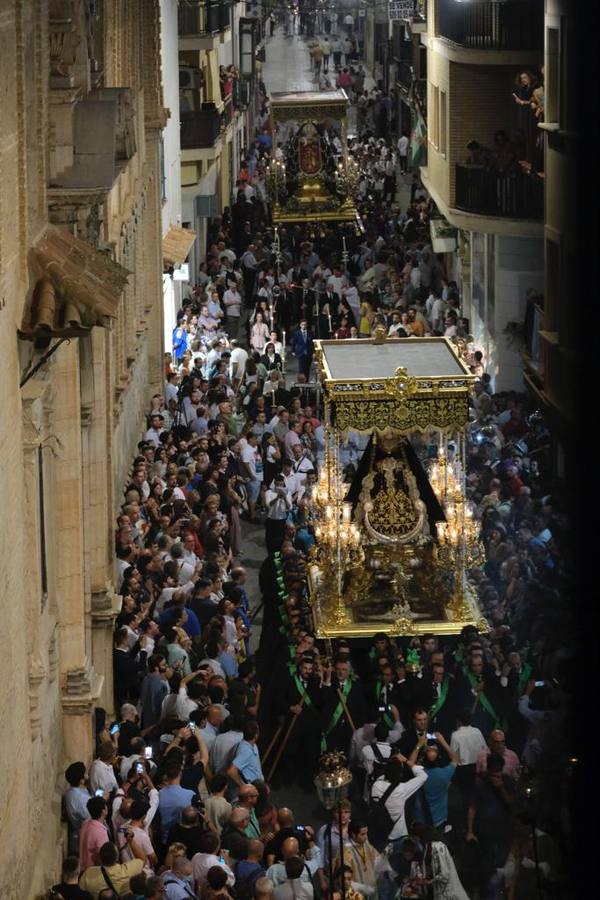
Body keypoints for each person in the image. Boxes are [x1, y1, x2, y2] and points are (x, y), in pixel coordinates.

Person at [79, 841, 145, 897]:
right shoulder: (127, 871)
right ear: (117, 858)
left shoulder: (88, 874)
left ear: (100, 858)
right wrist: (131, 841)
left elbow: (81, 891)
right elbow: (142, 859)